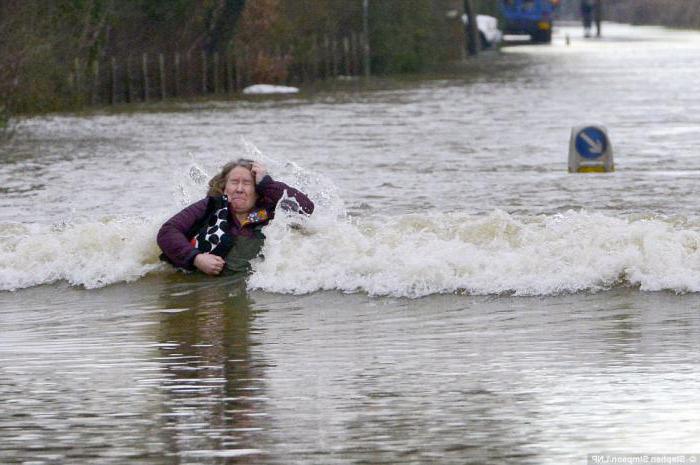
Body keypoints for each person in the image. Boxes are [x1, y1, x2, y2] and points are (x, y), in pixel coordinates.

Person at [157, 159, 314, 276]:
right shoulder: (209, 207)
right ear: (224, 187)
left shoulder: (271, 211)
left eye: (246, 183)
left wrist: (267, 184)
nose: (239, 189)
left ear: (257, 189)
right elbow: (168, 232)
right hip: (204, 288)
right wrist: (196, 258)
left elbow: (306, 209)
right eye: (234, 182)